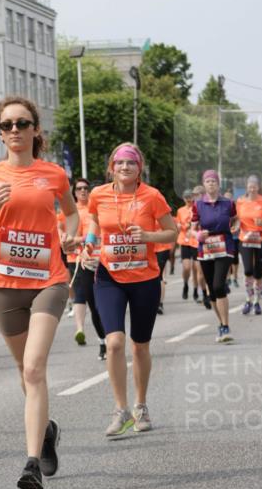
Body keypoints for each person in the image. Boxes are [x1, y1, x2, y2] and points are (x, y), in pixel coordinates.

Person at [0, 95, 78, 489]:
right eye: (7, 125)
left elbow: (72, 212)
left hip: (49, 280)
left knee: (33, 369)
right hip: (5, 285)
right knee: (24, 372)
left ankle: (31, 465)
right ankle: (45, 431)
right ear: (0, 132)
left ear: (35, 130)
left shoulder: (54, 175)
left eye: (21, 123)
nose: (14, 130)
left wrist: (70, 230)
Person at [82, 143, 177, 438]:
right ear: (112, 166)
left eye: (131, 163)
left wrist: (148, 235)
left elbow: (172, 232)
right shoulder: (98, 195)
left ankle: (141, 406)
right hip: (109, 276)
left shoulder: (152, 196)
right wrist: (88, 247)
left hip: (145, 278)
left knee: (140, 345)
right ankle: (120, 409)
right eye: (120, 163)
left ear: (139, 168)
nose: (125, 168)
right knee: (113, 342)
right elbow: (94, 225)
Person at [191, 170, 238, 343]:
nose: (211, 184)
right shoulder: (197, 205)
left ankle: (226, 326)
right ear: (204, 185)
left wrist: (235, 227)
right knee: (211, 289)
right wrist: (197, 235)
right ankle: (221, 323)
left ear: (218, 184)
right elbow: (193, 227)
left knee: (219, 286)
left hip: (224, 245)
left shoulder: (228, 203)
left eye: (214, 181)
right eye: (208, 181)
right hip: (206, 248)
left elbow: (235, 219)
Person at [70, 178, 106, 359]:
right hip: (87, 262)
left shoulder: (104, 210)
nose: (84, 191)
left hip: (108, 263)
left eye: (86, 188)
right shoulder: (76, 213)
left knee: (107, 304)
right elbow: (73, 238)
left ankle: (113, 338)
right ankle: (102, 341)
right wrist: (85, 239)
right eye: (80, 189)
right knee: (93, 306)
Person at [236, 175, 262, 316]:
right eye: (249, 185)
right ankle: (248, 300)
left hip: (261, 240)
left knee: (258, 272)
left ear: (258, 187)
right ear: (246, 186)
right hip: (245, 239)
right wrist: (235, 225)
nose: (252, 188)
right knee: (248, 270)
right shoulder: (240, 201)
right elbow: (236, 219)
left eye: (254, 186)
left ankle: (257, 301)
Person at [175, 190, 200, 301]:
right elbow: (178, 223)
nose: (188, 200)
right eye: (186, 198)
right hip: (184, 241)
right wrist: (179, 225)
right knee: (186, 267)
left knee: (196, 268)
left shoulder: (197, 208)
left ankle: (195, 290)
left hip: (195, 241)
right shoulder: (180, 210)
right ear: (184, 199)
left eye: (190, 197)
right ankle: (185, 284)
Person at [192, 185, 212, 309]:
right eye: (196, 195)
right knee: (200, 273)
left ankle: (210, 294)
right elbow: (191, 228)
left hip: (210, 243)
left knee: (209, 272)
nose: (198, 197)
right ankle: (204, 294)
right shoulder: (191, 209)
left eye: (201, 194)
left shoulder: (209, 207)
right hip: (195, 244)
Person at [224, 190, 240, 289]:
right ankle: (228, 277)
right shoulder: (220, 208)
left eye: (229, 198)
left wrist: (236, 227)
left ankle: (235, 277)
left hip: (235, 237)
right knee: (226, 258)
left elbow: (238, 220)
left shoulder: (236, 208)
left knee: (235, 259)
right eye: (226, 198)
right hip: (225, 237)